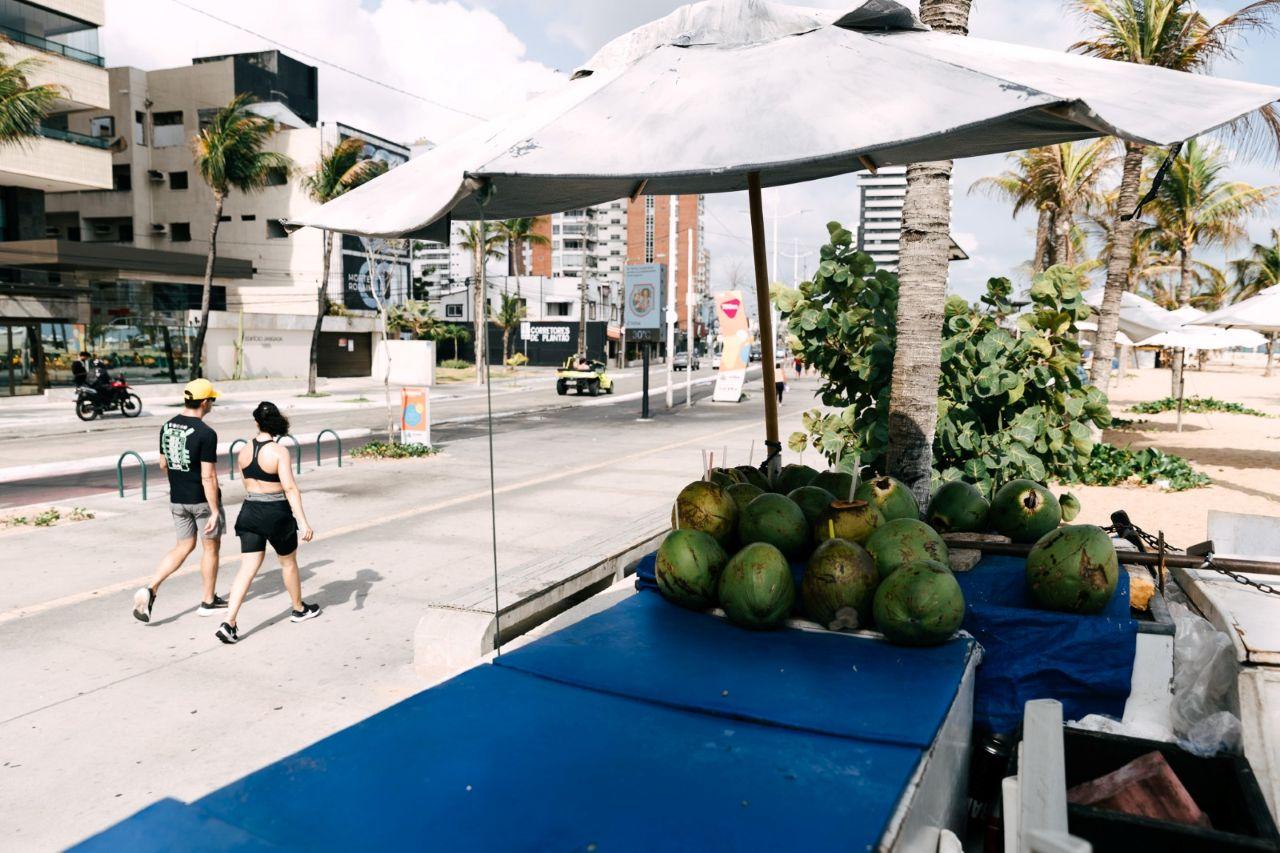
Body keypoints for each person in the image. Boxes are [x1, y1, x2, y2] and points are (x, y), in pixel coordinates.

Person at [216, 401, 318, 644]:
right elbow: (290, 488)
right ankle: (298, 608)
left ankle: (229, 622)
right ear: (277, 423)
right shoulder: (279, 452)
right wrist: (303, 523)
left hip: (250, 509)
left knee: (247, 569)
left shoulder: (243, 449)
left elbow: (245, 483)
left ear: (256, 423)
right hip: (275, 512)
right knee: (288, 563)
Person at [133, 379, 226, 622]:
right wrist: (214, 510)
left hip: (178, 499)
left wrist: (180, 481)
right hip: (201, 501)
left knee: (183, 546)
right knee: (210, 548)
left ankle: (151, 588)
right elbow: (208, 475)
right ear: (204, 402)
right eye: (212, 401)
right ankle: (208, 601)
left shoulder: (167, 426)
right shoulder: (206, 433)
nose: (212, 405)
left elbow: (163, 464)